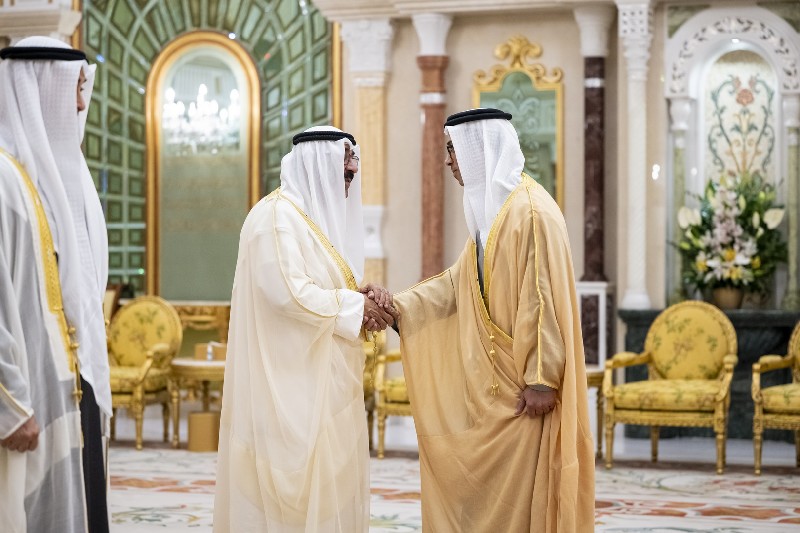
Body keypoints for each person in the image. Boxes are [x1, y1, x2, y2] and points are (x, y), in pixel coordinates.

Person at [391, 108, 595, 531]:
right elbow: (457, 285)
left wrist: (541, 378)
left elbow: (541, 299)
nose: (448, 161)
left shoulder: (529, 212)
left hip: (524, 390)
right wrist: (397, 307)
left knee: (526, 496)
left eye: (453, 149)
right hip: (495, 388)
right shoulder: (494, 214)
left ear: (478, 148)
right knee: (493, 497)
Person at [214, 126, 395, 532]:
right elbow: (289, 294)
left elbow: (320, 285)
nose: (350, 181)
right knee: (282, 506)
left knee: (327, 498)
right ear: (318, 166)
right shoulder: (274, 219)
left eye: (352, 173)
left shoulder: (306, 220)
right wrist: (356, 306)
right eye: (344, 172)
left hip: (320, 387)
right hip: (284, 390)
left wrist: (359, 294)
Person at [0, 37, 111, 532]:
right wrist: (8, 407)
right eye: (74, 88)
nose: (82, 104)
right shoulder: (4, 180)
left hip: (71, 388)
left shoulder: (62, 178)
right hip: (28, 398)